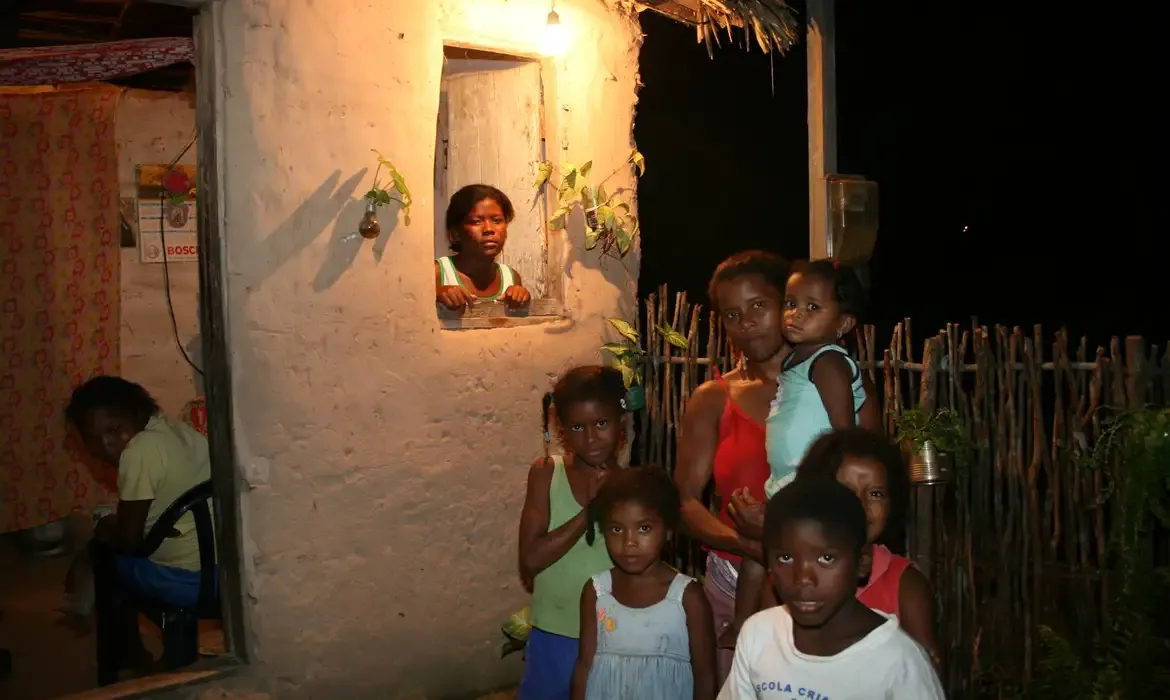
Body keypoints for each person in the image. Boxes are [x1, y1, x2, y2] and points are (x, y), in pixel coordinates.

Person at [674, 251, 881, 682]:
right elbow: (682, 502)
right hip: (735, 584)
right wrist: (752, 545)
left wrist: (785, 545)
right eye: (732, 314)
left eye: (758, 305)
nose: (746, 322)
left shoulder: (832, 378)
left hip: (825, 586)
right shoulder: (713, 397)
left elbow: (871, 478)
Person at [729, 258, 870, 642]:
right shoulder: (798, 360)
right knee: (761, 553)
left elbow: (844, 432)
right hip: (786, 480)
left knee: (781, 558)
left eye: (812, 307)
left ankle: (777, 635)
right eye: (791, 303)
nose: (796, 315)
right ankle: (745, 625)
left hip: (812, 482)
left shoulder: (828, 363)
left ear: (842, 324)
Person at [718, 476, 945, 699]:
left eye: (826, 558)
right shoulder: (759, 634)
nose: (803, 578)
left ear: (863, 562)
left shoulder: (897, 661)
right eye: (785, 558)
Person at [65, 376, 212, 684]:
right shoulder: (176, 430)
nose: (107, 446)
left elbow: (130, 542)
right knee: (104, 546)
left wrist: (103, 528)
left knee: (106, 559)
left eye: (114, 430)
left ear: (136, 411)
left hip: (185, 580)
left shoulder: (138, 452)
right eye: (94, 440)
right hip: (217, 569)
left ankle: (121, 656)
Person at [518, 366, 626, 700]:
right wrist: (590, 510)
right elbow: (532, 558)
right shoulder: (547, 474)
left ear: (621, 422)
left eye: (601, 424)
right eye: (578, 427)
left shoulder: (632, 486)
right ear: (562, 430)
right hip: (555, 633)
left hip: (613, 634)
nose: (591, 438)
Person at [796, 427, 941, 666]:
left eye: (875, 493)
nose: (860, 506)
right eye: (846, 491)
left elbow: (926, 678)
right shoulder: (791, 575)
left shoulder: (906, 587)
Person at [571, 467, 717, 700]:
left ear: (668, 531)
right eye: (617, 529)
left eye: (644, 528)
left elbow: (706, 677)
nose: (629, 542)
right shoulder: (597, 592)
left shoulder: (687, 597)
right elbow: (584, 666)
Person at [435, 184, 531, 311]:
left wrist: (521, 297)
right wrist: (437, 294)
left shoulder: (511, 277)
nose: (489, 229)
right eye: (476, 221)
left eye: (497, 220)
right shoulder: (438, 273)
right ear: (455, 233)